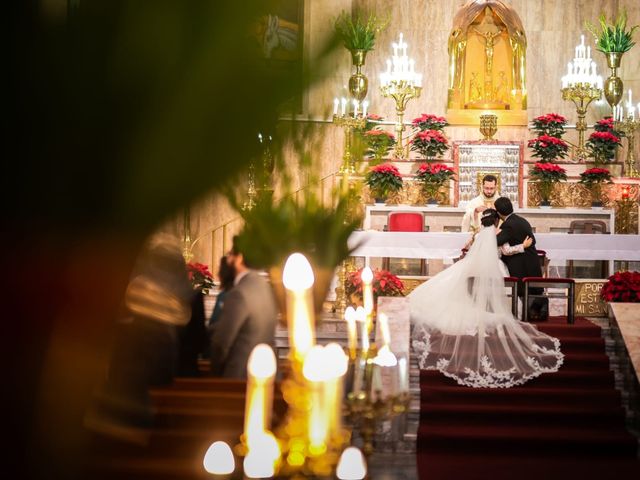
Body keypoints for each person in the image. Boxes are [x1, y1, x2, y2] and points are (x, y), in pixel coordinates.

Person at [410, 209, 563, 388]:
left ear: (483, 222)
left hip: (473, 268)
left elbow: (467, 247)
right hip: (494, 268)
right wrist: (524, 246)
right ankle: (491, 308)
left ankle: (476, 305)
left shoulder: (478, 235)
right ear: (496, 222)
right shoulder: (498, 234)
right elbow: (506, 251)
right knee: (499, 288)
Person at [209, 237, 278, 378]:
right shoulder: (266, 287)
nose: (228, 259)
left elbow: (221, 343)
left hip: (240, 377)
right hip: (267, 372)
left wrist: (215, 374)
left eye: (230, 255)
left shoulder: (239, 293)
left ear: (239, 258)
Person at [494, 196, 547, 319]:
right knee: (532, 290)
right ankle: (531, 314)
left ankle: (527, 314)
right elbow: (533, 240)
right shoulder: (522, 220)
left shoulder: (508, 225)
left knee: (523, 290)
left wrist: (489, 232)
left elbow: (496, 242)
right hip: (531, 261)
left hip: (521, 264)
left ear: (499, 212)